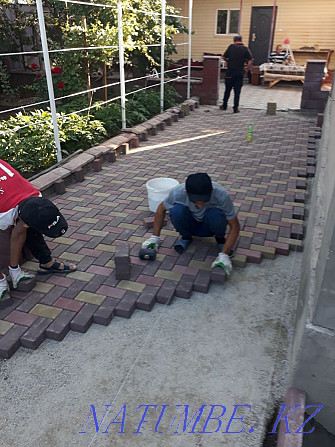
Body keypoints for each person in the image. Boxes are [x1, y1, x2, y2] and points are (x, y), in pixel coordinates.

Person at [0, 159, 77, 302]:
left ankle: (43, 264)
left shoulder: (35, 195)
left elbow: (19, 231)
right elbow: (19, 229)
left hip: (10, 196)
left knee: (33, 218)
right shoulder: (3, 214)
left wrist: (15, 269)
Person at [142, 173, 240, 276]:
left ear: (212, 191)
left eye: (204, 202)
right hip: (191, 225)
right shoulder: (178, 193)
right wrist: (154, 238)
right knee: (176, 211)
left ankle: (220, 240)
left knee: (216, 214)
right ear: (186, 193)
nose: (200, 206)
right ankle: (186, 237)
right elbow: (160, 210)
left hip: (210, 227)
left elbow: (235, 226)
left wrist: (224, 255)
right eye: (196, 203)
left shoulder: (221, 196)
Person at [220, 35, 253, 113]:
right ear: (241, 40)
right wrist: (246, 68)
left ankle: (224, 105)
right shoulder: (245, 49)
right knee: (237, 91)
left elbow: (224, 57)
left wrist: (228, 62)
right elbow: (251, 59)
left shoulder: (231, 47)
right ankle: (235, 108)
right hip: (240, 72)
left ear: (234, 40)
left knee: (227, 90)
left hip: (230, 72)